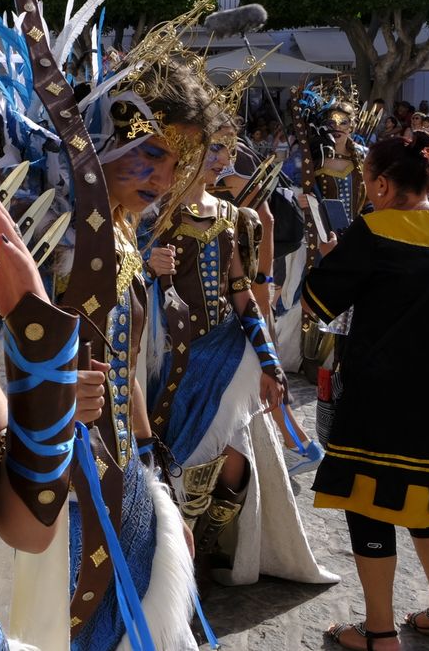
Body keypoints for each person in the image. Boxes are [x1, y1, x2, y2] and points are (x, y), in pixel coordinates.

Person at [142, 118, 339, 588]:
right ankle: (174, 568)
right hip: (173, 361)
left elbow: (241, 292)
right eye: (212, 149)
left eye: (226, 150)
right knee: (180, 468)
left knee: (234, 469)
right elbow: (121, 284)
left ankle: (205, 556)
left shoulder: (233, 217)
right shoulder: (153, 215)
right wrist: (147, 266)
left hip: (228, 356)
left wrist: (270, 362)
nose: (222, 160)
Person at [310, 133, 429, 651]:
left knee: (369, 500)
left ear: (383, 185)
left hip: (381, 392)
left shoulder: (373, 230)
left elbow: (318, 303)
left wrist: (330, 256)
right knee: (428, 500)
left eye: (367, 181)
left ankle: (379, 630)